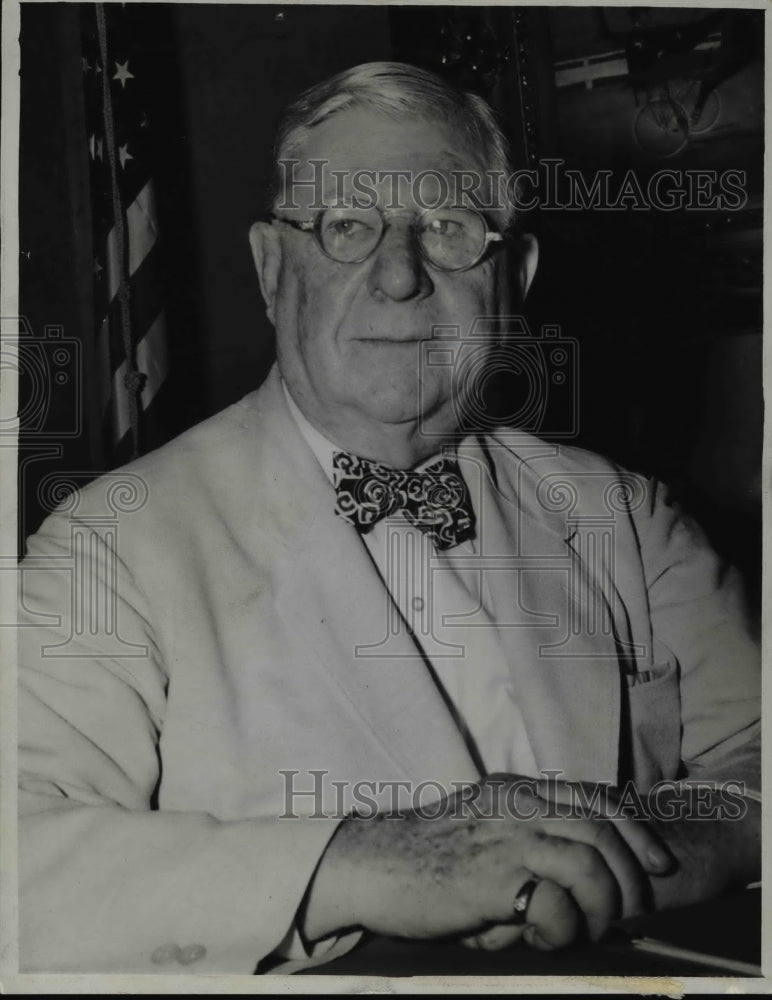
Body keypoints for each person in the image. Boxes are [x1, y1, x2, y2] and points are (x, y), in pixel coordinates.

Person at [18, 61, 760, 975]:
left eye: (448, 228)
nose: (400, 276)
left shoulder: (625, 514)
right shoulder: (111, 546)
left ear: (513, 276)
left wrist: (641, 857)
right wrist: (359, 863)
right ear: (269, 265)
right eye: (346, 228)